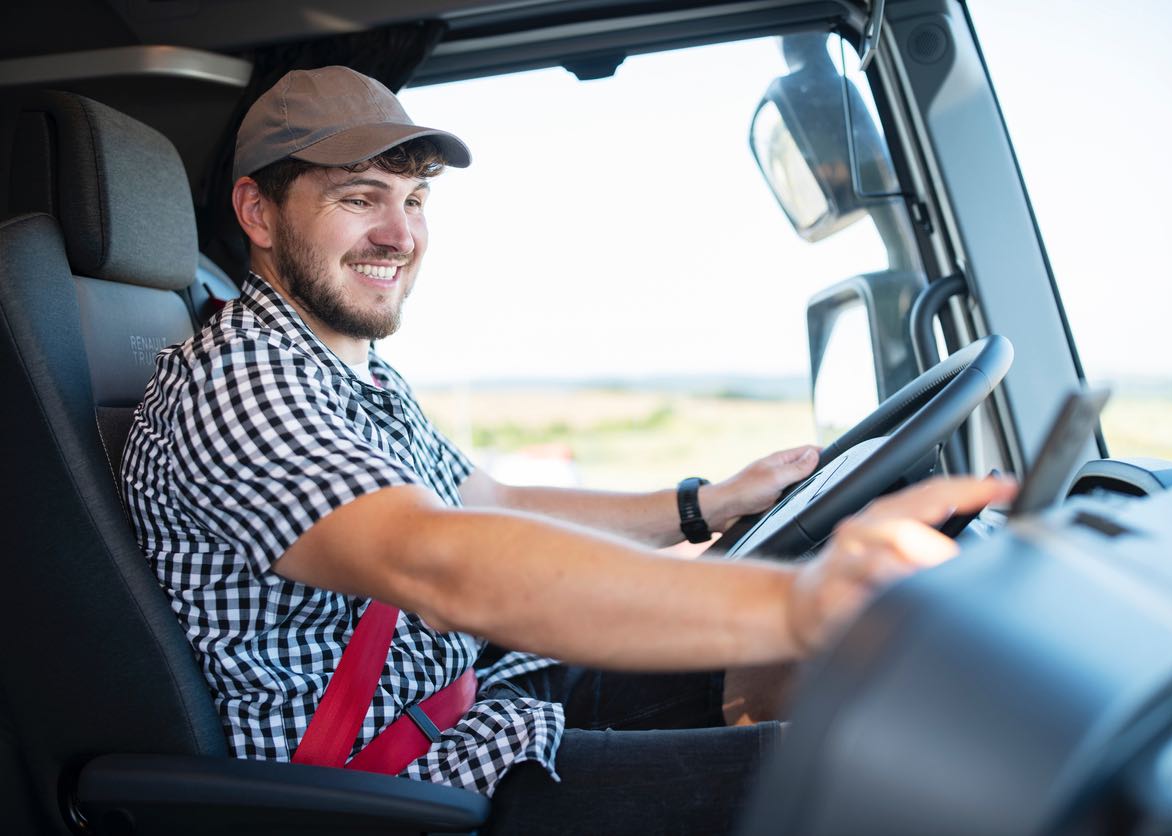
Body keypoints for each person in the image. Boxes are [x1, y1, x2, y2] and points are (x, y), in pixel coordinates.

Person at [121, 65, 1015, 834]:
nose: (401, 234)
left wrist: (706, 505)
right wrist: (798, 601)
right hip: (400, 790)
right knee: (892, 784)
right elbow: (442, 563)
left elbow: (491, 507)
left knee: (853, 718)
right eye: (359, 199)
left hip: (481, 707)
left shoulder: (348, 371)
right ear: (259, 213)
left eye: (416, 198)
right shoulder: (239, 378)